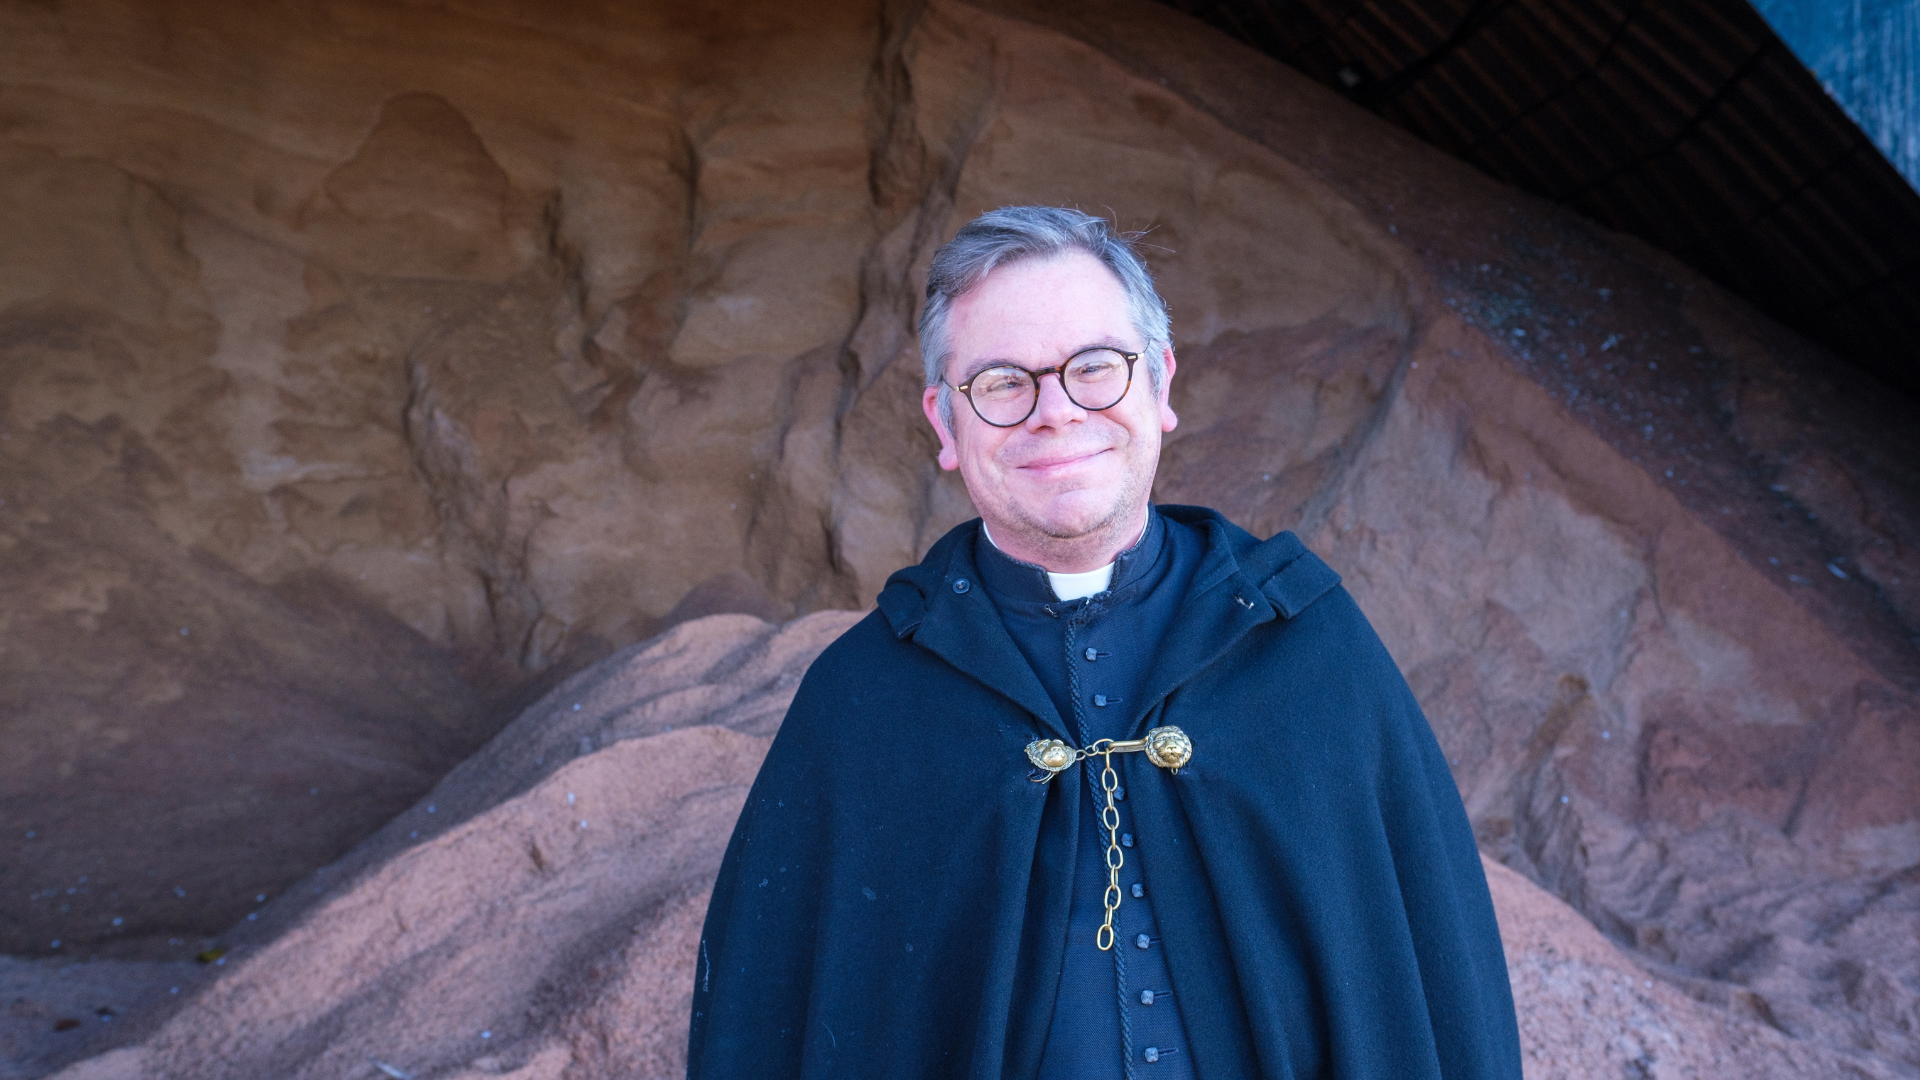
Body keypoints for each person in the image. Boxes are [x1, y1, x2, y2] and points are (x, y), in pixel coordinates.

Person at [687, 207, 1522, 1079]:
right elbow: (770, 1023)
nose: (1054, 413)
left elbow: (1437, 997)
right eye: (1004, 382)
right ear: (944, 422)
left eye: (1095, 367)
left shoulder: (1306, 651)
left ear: (1159, 385)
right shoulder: (862, 703)